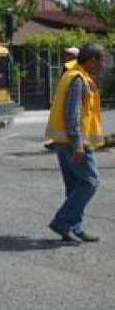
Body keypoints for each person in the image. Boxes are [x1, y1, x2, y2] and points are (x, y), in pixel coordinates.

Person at [45, 43, 105, 243]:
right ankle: (62, 222)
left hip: (64, 141)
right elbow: (73, 115)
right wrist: (78, 144)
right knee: (90, 182)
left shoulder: (72, 74)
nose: (102, 65)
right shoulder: (78, 80)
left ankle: (74, 228)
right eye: (101, 60)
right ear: (91, 60)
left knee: (75, 187)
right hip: (74, 142)